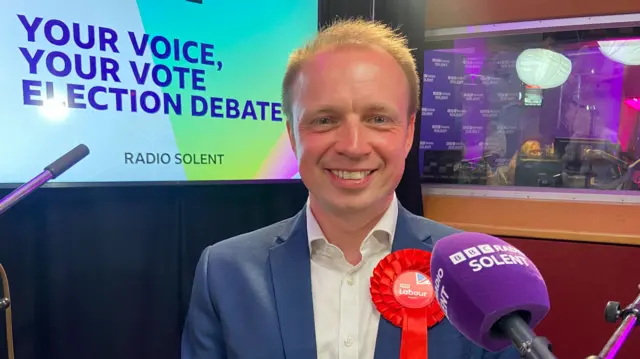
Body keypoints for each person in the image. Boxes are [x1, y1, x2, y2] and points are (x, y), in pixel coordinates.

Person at [181, 19, 519, 359]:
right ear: (291, 134)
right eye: (325, 120)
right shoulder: (225, 272)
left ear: (408, 132)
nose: (353, 146)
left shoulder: (478, 277)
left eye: (378, 119)